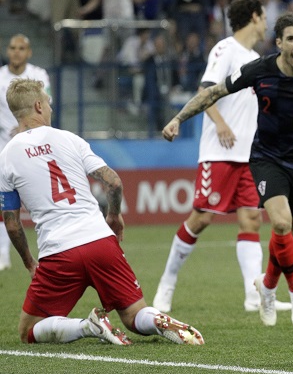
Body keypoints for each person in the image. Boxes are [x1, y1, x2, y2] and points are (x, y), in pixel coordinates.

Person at [162, 13, 293, 330]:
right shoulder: (260, 70)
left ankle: (268, 286)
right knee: (282, 222)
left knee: (284, 232)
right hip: (266, 158)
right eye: (291, 39)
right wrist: (178, 118)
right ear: (279, 43)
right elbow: (213, 92)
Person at [0, 79, 203, 346]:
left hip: (59, 252)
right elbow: (113, 181)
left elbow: (12, 223)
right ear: (38, 106)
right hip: (100, 241)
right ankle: (155, 320)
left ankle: (88, 325)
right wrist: (114, 215)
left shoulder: (7, 156)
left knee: (29, 329)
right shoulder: (69, 138)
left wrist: (28, 261)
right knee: (133, 315)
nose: (51, 108)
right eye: (48, 103)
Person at [153, 0, 292, 314]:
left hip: (249, 155)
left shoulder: (255, 56)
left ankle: (253, 295)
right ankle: (167, 283)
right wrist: (221, 124)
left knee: (251, 219)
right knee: (201, 218)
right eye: (264, 15)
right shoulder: (225, 49)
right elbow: (206, 90)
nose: (267, 21)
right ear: (255, 17)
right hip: (219, 151)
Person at [0, 35, 51, 271]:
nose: (16, 52)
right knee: (5, 202)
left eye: (21, 48)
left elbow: (48, 104)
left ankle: (51, 250)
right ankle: (3, 255)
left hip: (34, 146)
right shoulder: (0, 76)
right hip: (4, 147)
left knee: (41, 196)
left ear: (29, 52)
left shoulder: (39, 76)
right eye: (12, 48)